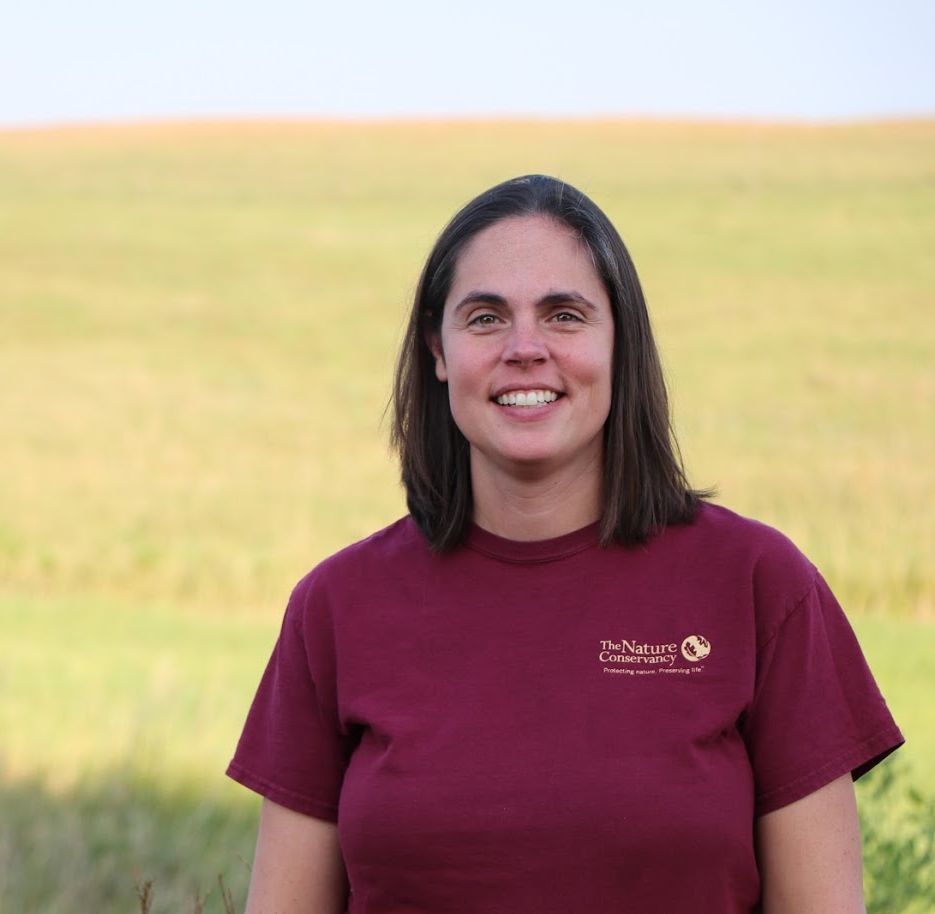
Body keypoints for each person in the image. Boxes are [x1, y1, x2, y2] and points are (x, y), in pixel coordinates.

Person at [226, 174, 903, 913]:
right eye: (484, 317)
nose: (525, 348)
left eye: (564, 315)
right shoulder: (336, 607)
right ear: (437, 350)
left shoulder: (757, 586)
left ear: (620, 343)